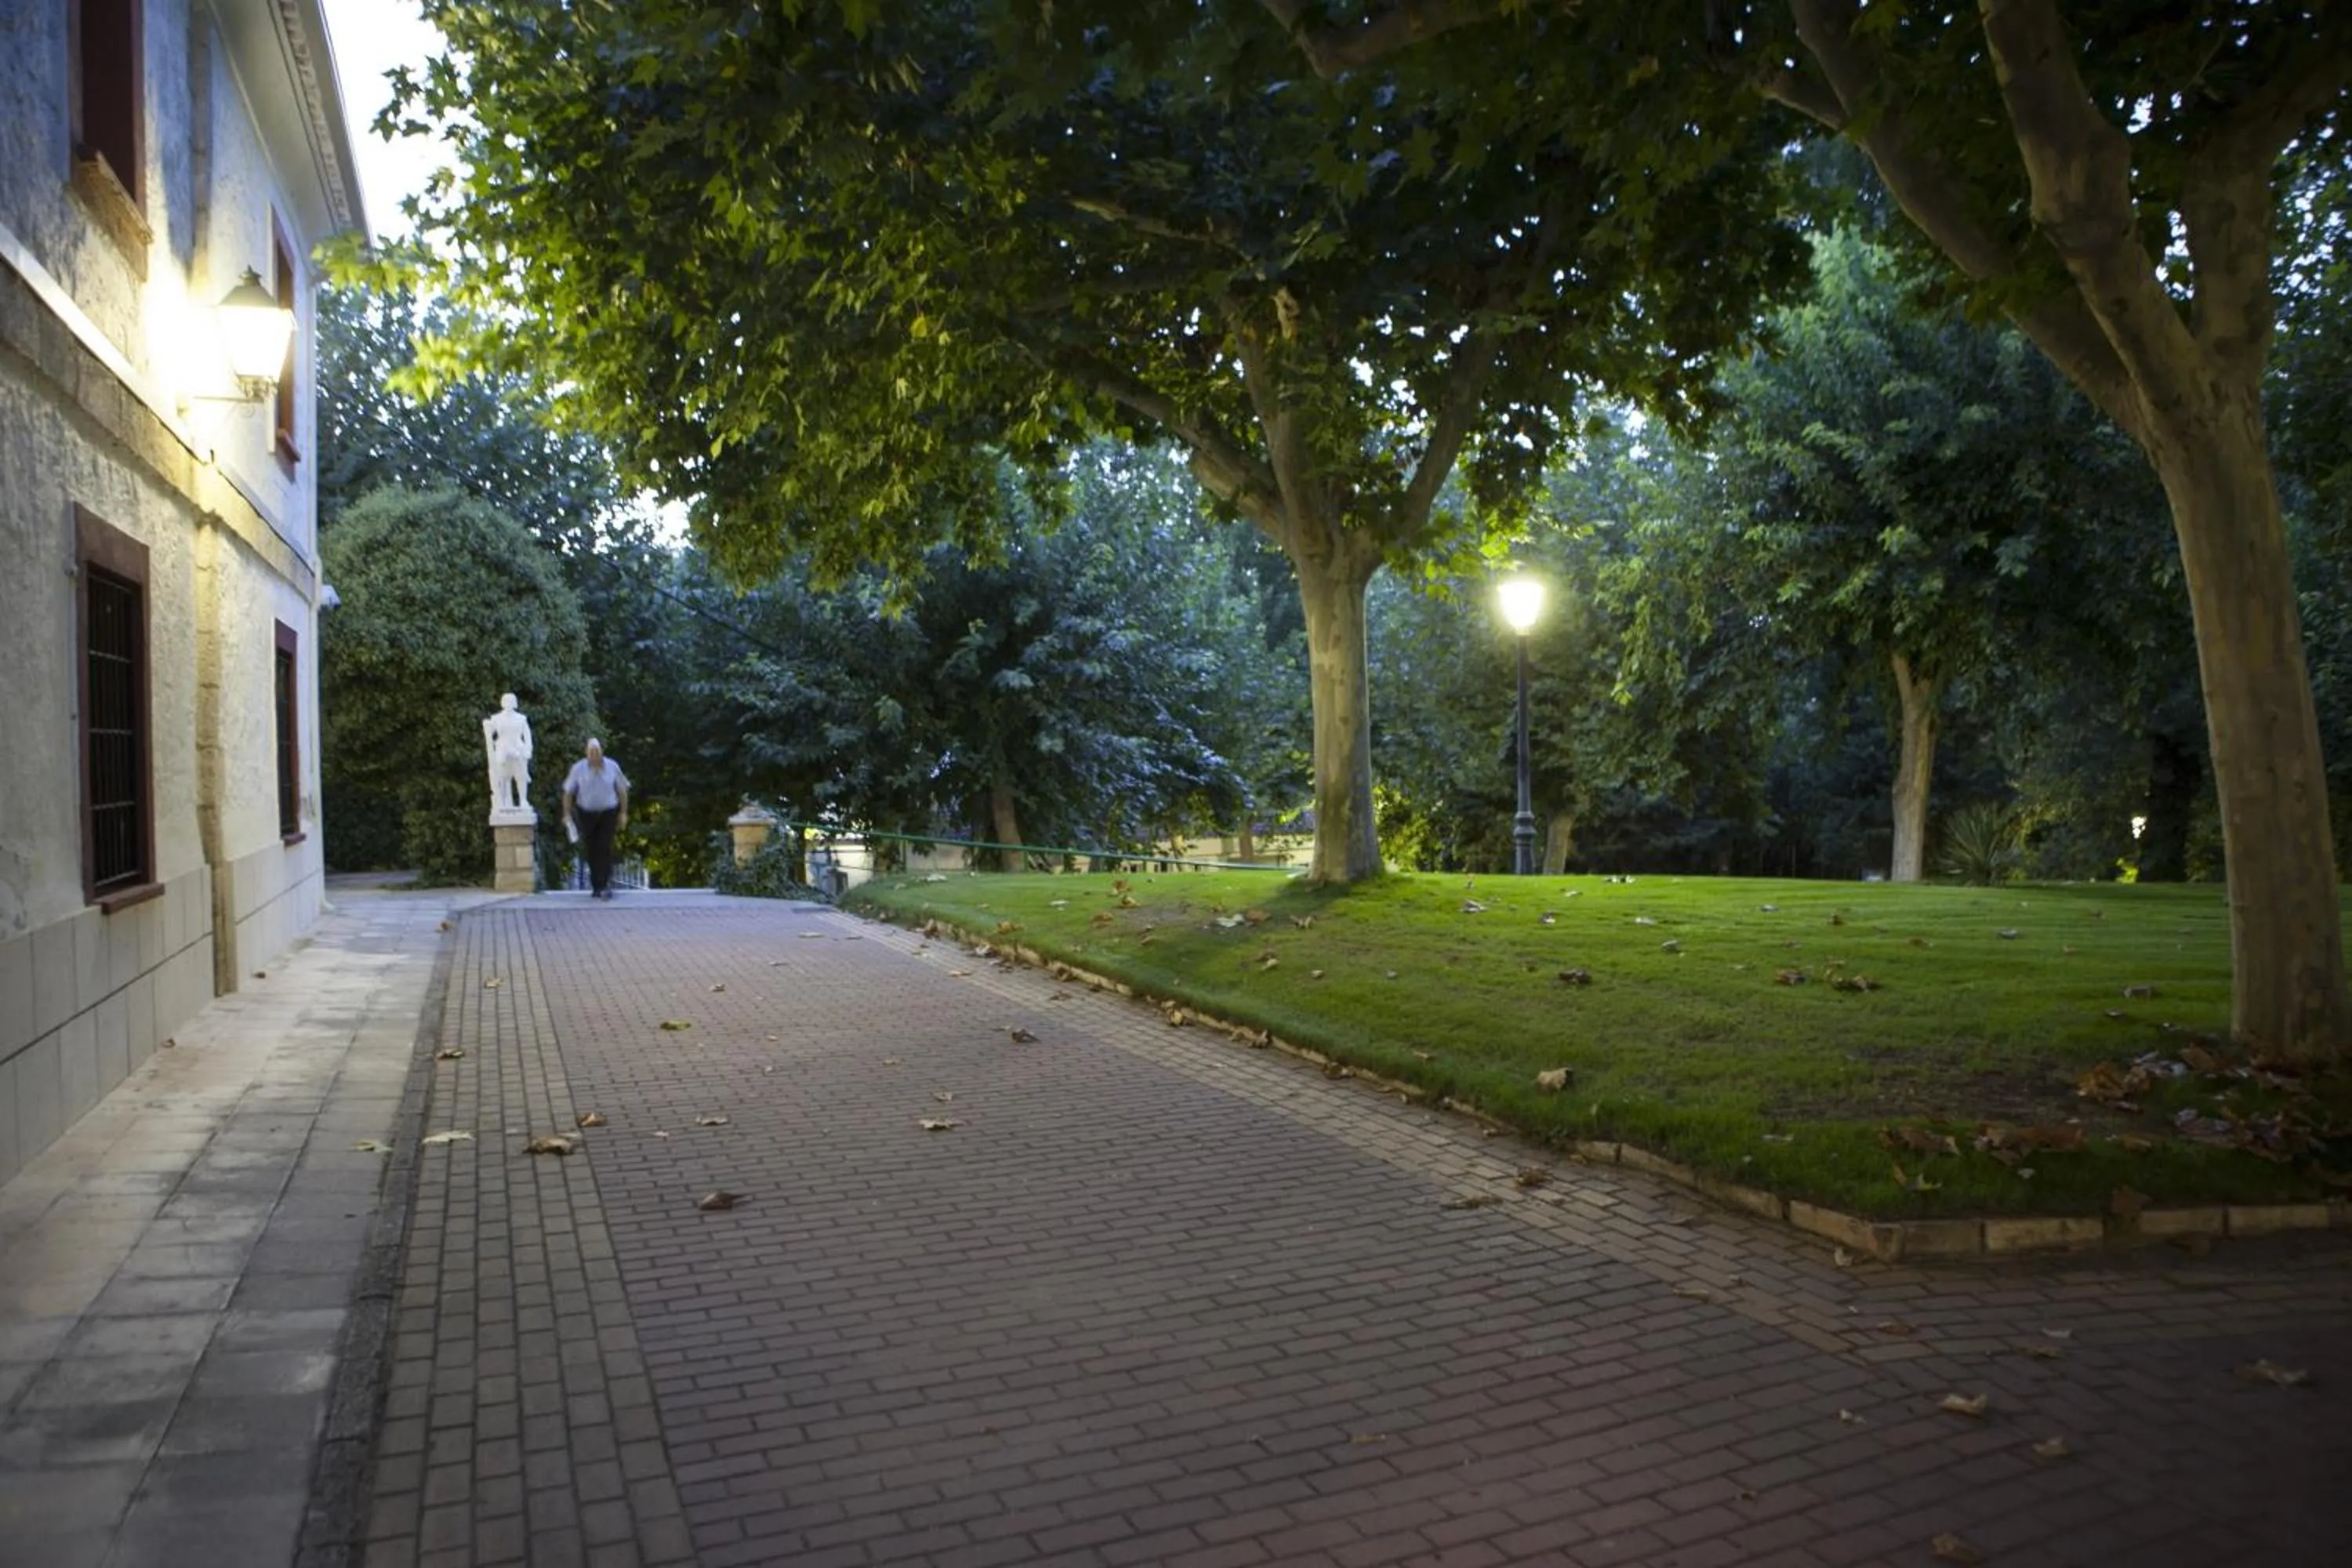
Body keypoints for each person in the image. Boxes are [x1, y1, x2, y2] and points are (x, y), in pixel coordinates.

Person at [562, 738, 631, 899]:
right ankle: (596, 885)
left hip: (608, 811)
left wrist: (623, 813)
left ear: (601, 752)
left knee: (605, 846)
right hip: (586, 812)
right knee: (591, 848)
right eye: (591, 752)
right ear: (586, 753)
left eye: (597, 751)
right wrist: (566, 814)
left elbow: (622, 791)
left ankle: (605, 884)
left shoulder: (612, 767)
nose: (594, 755)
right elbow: (568, 792)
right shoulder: (578, 769)